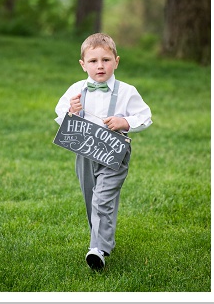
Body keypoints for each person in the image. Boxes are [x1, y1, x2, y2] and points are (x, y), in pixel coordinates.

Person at [54, 33, 152, 270]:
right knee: (91, 198)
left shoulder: (127, 91)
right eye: (94, 61)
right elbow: (60, 115)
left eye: (106, 60)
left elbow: (145, 116)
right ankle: (101, 240)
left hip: (114, 154)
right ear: (83, 65)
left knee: (102, 199)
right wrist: (72, 111)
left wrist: (124, 123)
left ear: (116, 61)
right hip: (85, 152)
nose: (100, 66)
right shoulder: (77, 89)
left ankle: (98, 249)